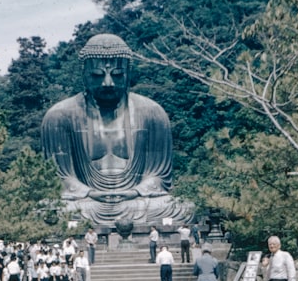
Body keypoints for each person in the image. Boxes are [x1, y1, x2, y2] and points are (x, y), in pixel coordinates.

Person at [40, 33, 190, 226]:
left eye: (117, 75)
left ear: (128, 74)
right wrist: (90, 193)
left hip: (136, 200)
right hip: (87, 201)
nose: (108, 83)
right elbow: (59, 178)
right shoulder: (59, 116)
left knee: (176, 206)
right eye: (97, 75)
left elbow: (158, 175)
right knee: (52, 208)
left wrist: (135, 191)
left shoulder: (152, 113)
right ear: (84, 74)